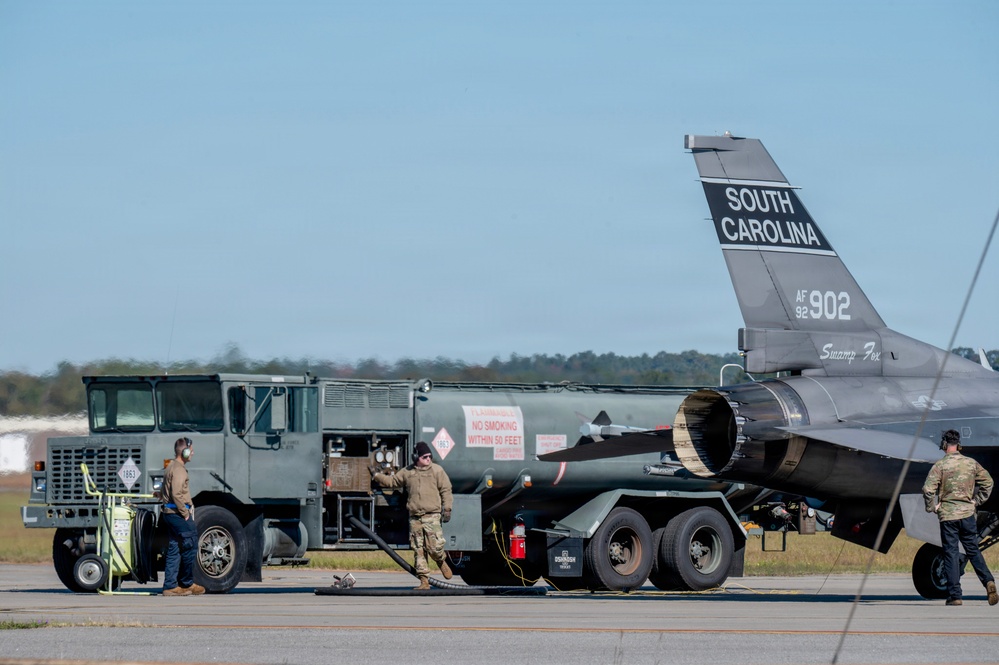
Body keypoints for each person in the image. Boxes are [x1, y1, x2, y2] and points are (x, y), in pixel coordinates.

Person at [922, 429, 997, 606]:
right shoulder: (971, 463)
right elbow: (988, 482)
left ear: (944, 444)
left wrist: (932, 507)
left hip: (948, 516)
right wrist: (977, 501)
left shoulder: (940, 465)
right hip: (968, 515)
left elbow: (928, 489)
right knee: (973, 550)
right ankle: (988, 581)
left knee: (951, 553)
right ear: (958, 444)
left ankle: (955, 595)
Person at [372, 441, 453, 590]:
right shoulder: (407, 472)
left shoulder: (437, 471)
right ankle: (424, 580)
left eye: (429, 456)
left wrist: (447, 508)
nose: (428, 459)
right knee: (418, 549)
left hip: (432, 516)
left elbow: (446, 490)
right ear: (416, 457)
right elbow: (392, 482)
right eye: (425, 457)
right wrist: (377, 476)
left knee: (435, 547)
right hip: (415, 518)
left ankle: (441, 561)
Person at [161, 437, 205, 596]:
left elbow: (167, 491)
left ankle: (170, 586)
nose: (193, 453)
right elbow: (176, 494)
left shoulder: (170, 466)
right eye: (191, 450)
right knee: (191, 543)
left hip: (170, 513)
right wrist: (185, 513)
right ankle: (186, 583)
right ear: (184, 452)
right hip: (178, 513)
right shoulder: (179, 469)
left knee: (174, 548)